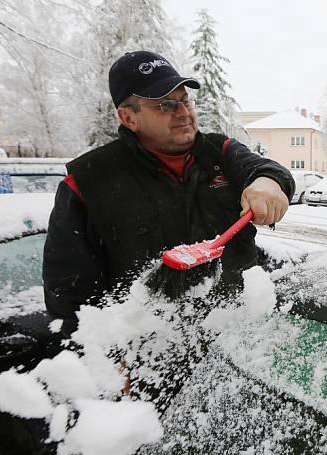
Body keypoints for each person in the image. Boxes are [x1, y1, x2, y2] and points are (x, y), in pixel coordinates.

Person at [43, 51, 294, 327]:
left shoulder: (219, 152)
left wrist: (267, 183)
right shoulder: (87, 183)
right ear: (129, 118)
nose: (184, 113)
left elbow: (266, 170)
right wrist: (100, 360)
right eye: (166, 105)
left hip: (238, 338)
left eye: (186, 101)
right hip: (150, 356)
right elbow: (68, 296)